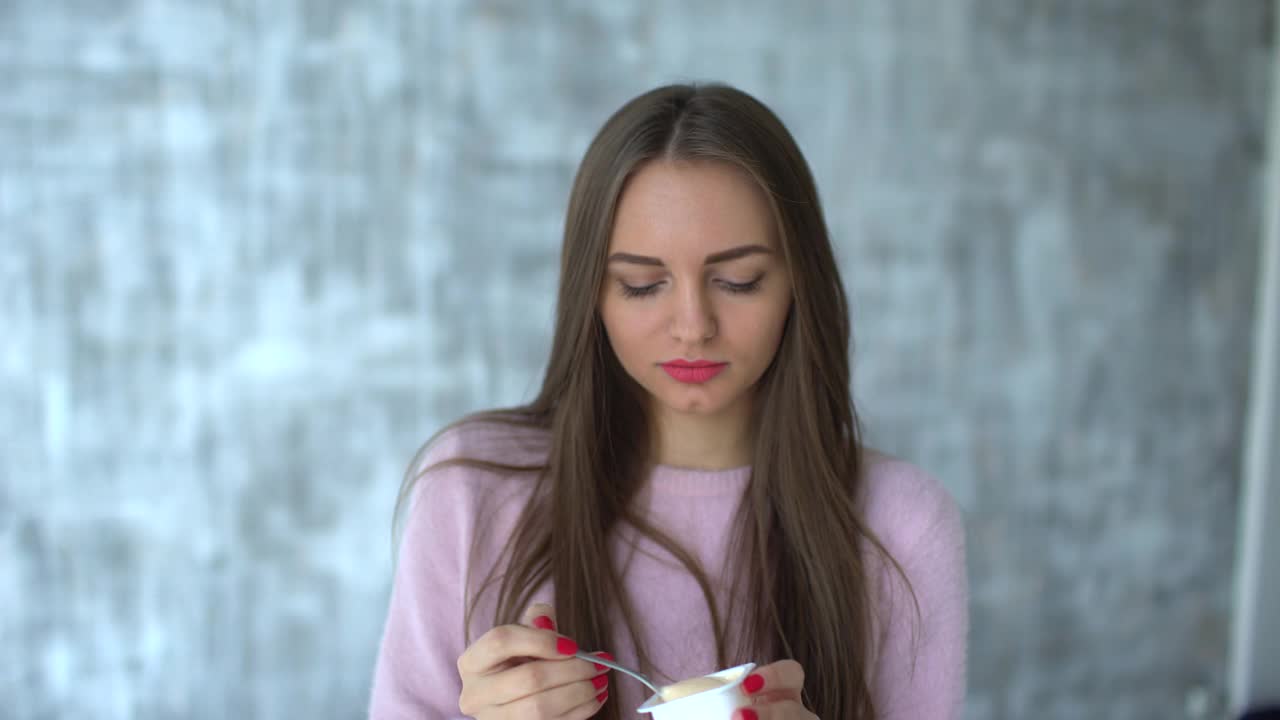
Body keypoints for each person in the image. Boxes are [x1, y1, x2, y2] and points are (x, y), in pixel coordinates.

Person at [369, 82, 967, 720]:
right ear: (591, 294)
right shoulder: (472, 487)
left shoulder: (900, 523)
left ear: (800, 282)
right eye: (642, 284)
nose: (692, 326)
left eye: (739, 281)